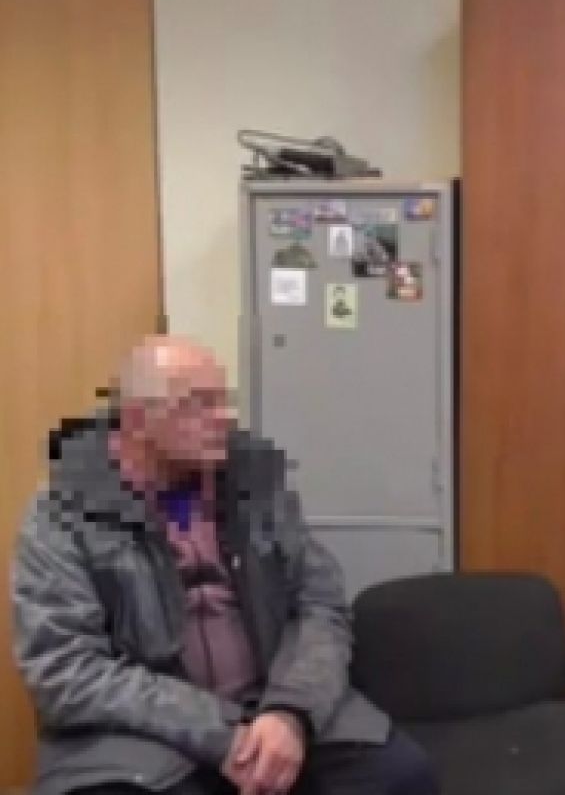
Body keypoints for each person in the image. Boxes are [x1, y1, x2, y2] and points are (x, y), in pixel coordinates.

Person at [11, 336, 438, 795]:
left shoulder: (258, 486)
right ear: (136, 420)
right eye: (198, 404)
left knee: (400, 777)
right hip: (141, 737)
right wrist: (219, 733)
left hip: (274, 708)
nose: (224, 418)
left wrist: (290, 713)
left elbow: (319, 608)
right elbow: (65, 669)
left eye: (224, 400)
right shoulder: (62, 515)